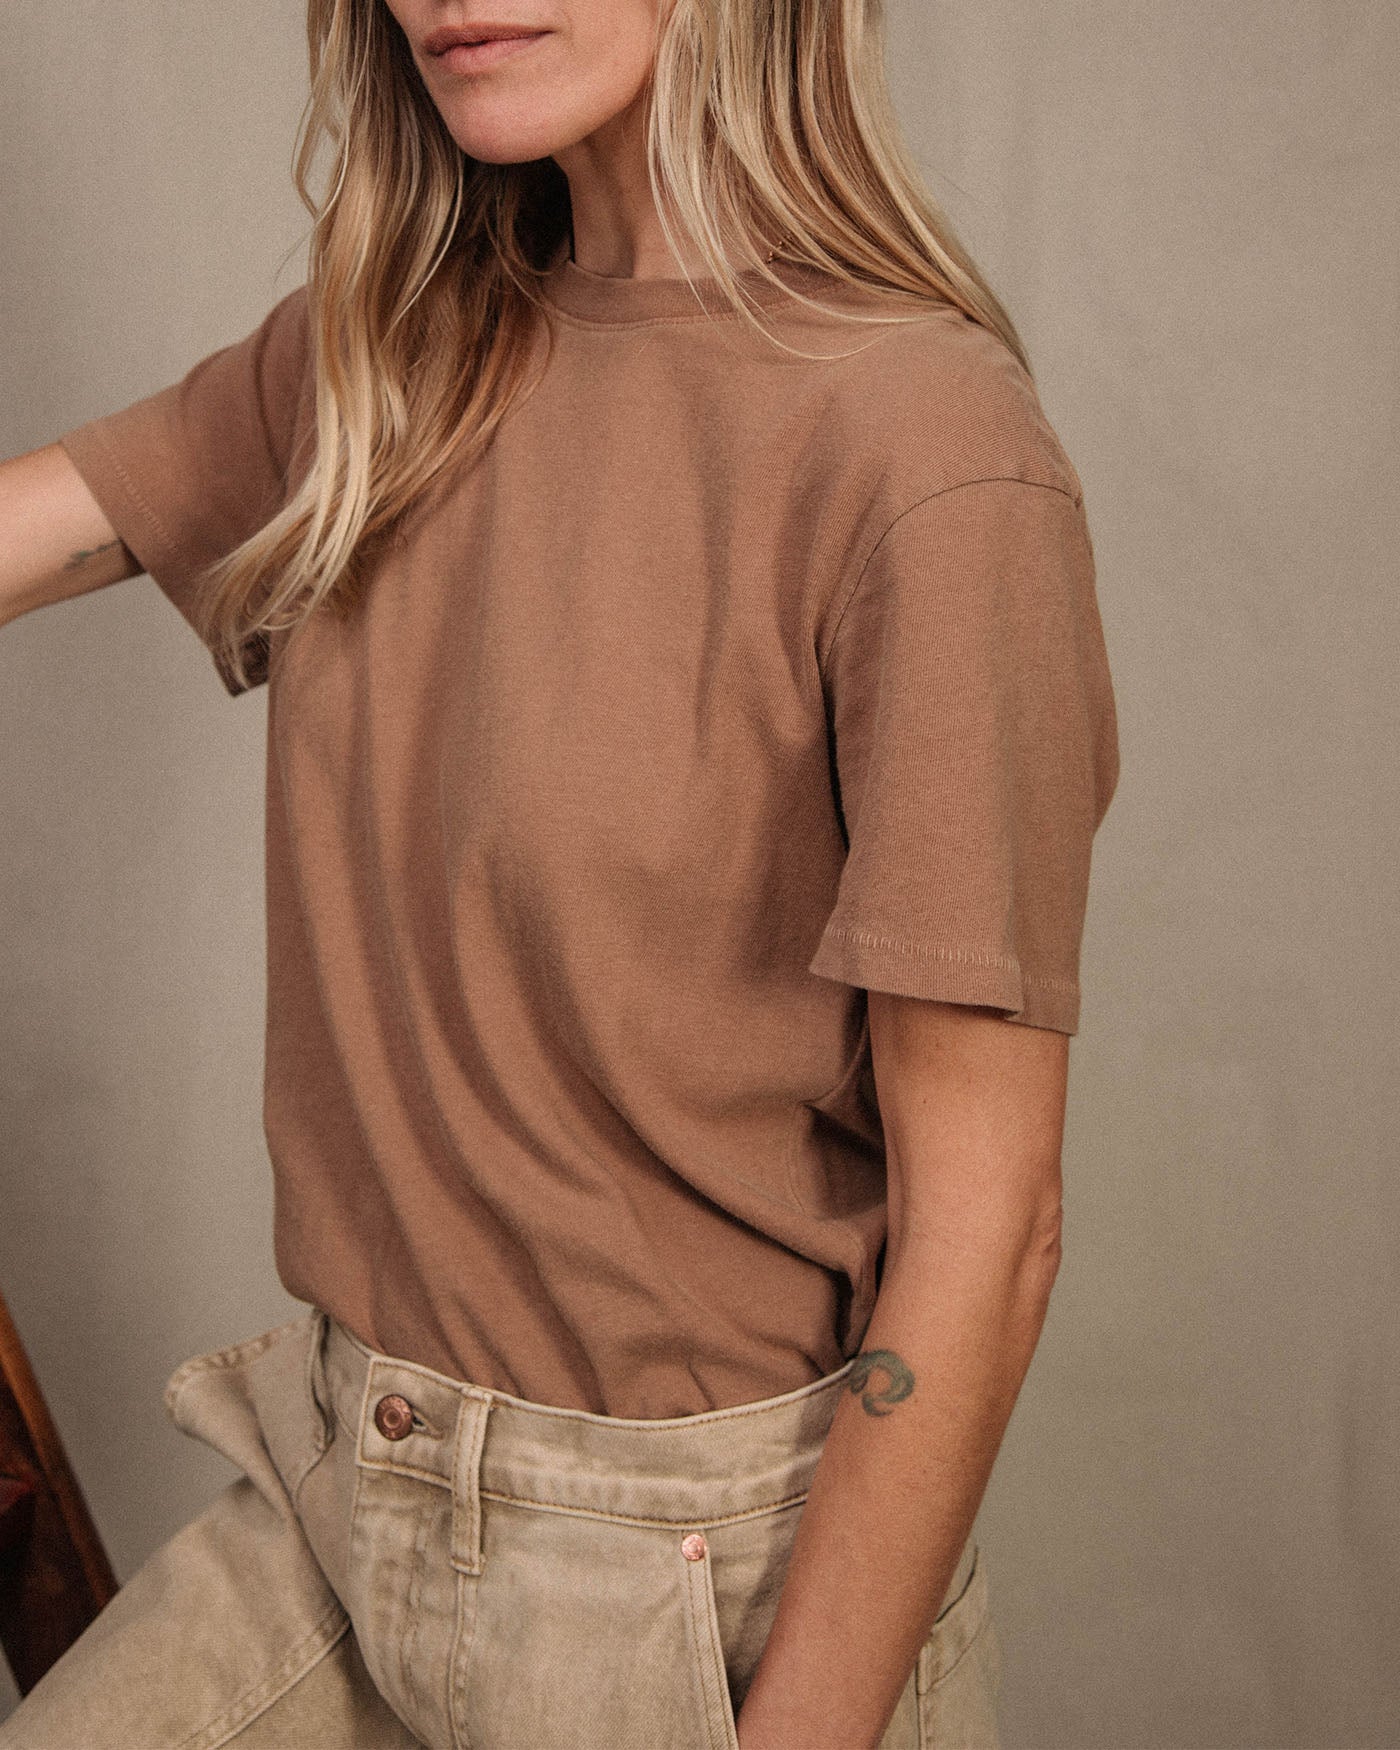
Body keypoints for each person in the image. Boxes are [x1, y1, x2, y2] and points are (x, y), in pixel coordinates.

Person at [0, 0, 1119, 1744]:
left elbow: (992, 1230)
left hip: (700, 1584)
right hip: (345, 1495)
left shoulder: (927, 453)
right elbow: (37, 525)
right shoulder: (393, 359)